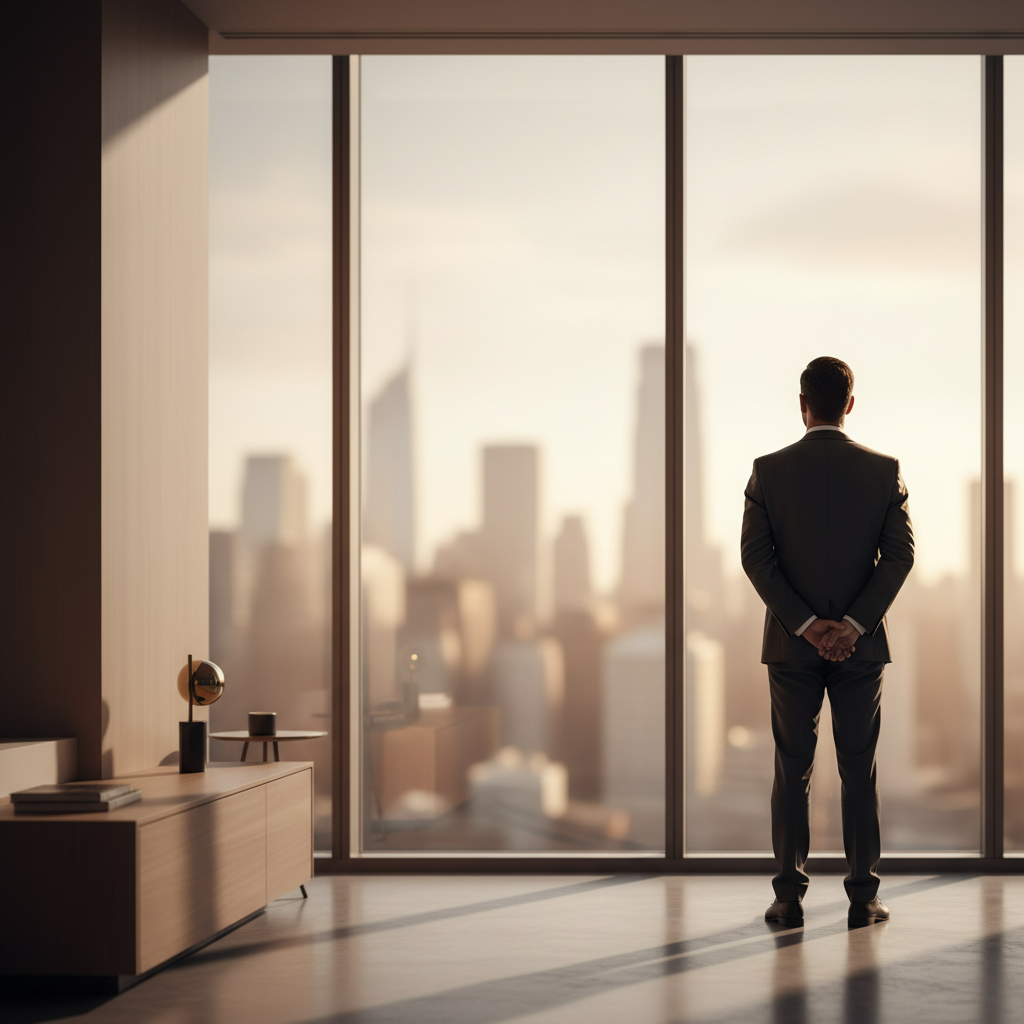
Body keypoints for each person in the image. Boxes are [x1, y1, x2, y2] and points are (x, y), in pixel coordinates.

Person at [740, 356, 914, 928]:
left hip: (792, 648)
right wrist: (853, 625)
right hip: (860, 650)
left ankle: (788, 898)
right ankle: (864, 897)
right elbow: (901, 557)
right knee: (858, 767)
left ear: (802, 403)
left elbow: (755, 559)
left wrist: (807, 624)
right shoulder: (885, 471)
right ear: (851, 404)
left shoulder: (768, 471)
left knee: (793, 769)